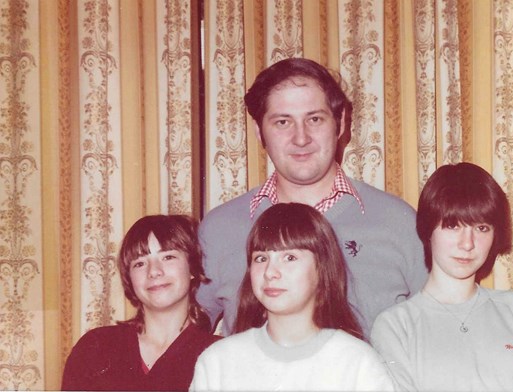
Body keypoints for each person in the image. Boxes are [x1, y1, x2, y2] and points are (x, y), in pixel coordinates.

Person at [197, 57, 427, 337]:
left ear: (340, 124)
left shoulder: (398, 222)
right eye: (283, 122)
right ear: (260, 133)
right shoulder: (220, 228)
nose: (301, 138)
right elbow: (182, 336)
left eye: (315, 119)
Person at [370, 162, 513, 391]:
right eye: (453, 226)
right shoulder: (396, 327)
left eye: (481, 228)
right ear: (427, 230)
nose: (467, 244)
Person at [191, 203, 394, 391]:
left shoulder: (358, 363)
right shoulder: (218, 362)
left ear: (322, 268)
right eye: (261, 258)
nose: (270, 272)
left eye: (290, 258)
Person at [61, 215, 220, 391]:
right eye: (140, 263)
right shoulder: (95, 347)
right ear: (129, 278)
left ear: (192, 268)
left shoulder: (221, 355)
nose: (154, 271)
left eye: (168, 257)